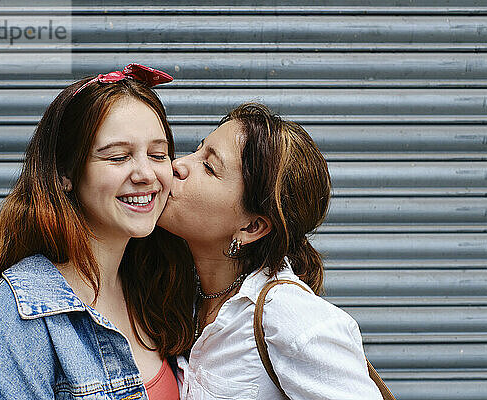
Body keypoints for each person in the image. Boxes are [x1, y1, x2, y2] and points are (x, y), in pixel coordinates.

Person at [0, 64, 194, 399]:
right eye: (117, 157)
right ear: (64, 174)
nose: (146, 173)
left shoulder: (157, 290)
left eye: (158, 154)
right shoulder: (17, 317)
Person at [157, 103, 384, 399]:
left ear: (252, 227)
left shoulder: (290, 319)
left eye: (209, 167)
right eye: (198, 150)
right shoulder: (182, 292)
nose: (178, 164)